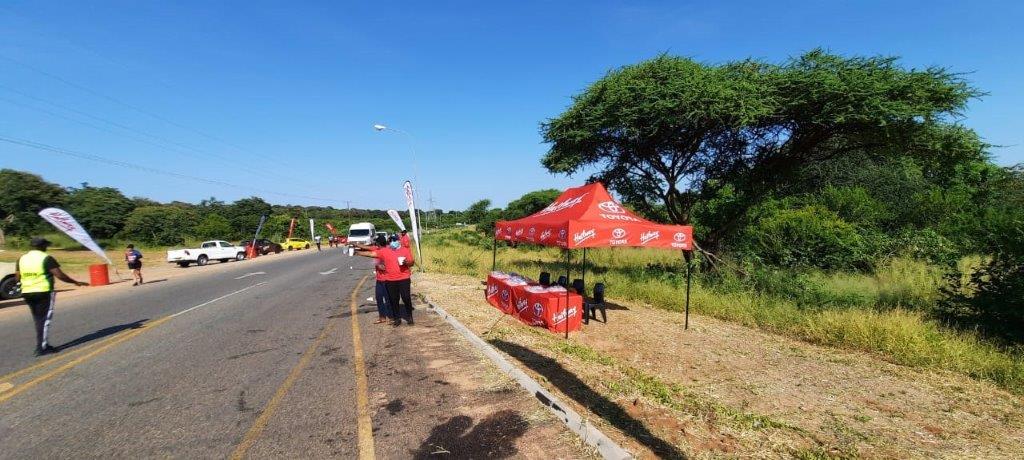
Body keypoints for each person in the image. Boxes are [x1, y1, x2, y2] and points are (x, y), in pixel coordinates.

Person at [15, 237, 88, 356]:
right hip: (44, 292)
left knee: (38, 319)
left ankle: (42, 343)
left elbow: (17, 277)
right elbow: (60, 275)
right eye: (46, 245)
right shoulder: (46, 258)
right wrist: (75, 282)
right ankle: (41, 347)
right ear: (42, 246)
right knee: (44, 320)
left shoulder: (22, 258)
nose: (47, 247)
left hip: (27, 292)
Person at [353, 235, 392, 324]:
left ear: (379, 243)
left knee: (388, 299)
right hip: (379, 279)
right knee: (379, 298)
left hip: (387, 279)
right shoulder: (377, 248)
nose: (375, 243)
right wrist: (356, 245)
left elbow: (370, 254)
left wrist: (357, 253)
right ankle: (382, 317)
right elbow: (368, 248)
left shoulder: (384, 251)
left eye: (376, 242)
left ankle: (391, 317)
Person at [383, 234, 415, 326]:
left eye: (394, 240)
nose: (393, 242)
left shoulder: (405, 250)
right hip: (390, 280)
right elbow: (374, 254)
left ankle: (409, 317)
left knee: (406, 297)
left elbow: (412, 262)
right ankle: (397, 318)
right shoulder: (386, 251)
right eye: (391, 240)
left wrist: (407, 262)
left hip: (404, 278)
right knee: (394, 299)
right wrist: (357, 252)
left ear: (398, 240)